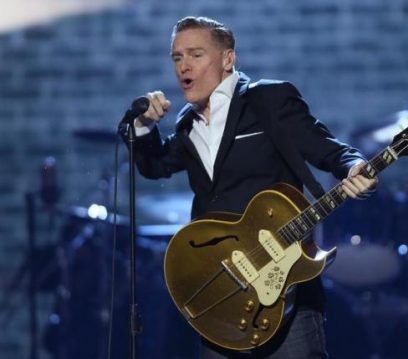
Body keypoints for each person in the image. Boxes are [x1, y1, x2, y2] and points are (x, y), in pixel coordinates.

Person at [125, 16, 377, 359]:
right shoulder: (187, 123)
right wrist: (142, 126)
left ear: (228, 59)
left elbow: (329, 149)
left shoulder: (268, 100)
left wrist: (355, 167)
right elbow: (154, 166)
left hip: (285, 287)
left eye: (195, 54)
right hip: (224, 296)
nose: (183, 66)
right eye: (177, 57)